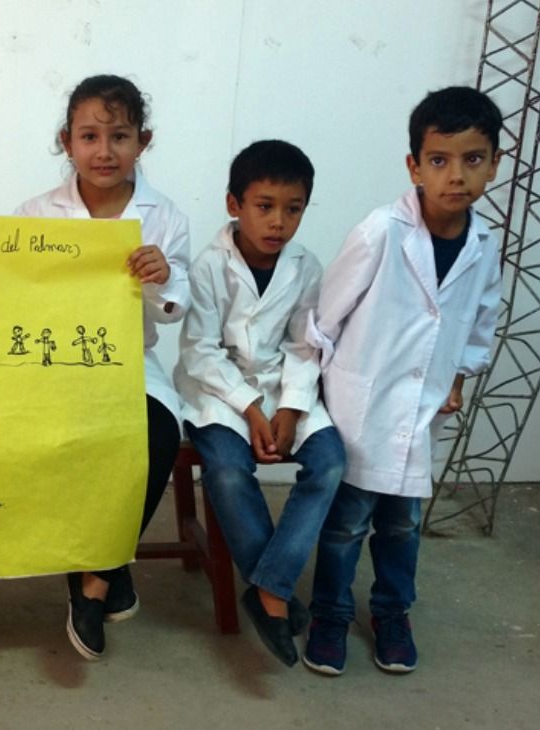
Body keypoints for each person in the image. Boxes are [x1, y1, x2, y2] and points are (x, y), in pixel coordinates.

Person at [304, 86, 504, 676]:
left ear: (494, 163)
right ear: (414, 166)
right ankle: (331, 613)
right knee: (346, 522)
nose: (456, 176)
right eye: (439, 161)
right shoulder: (379, 232)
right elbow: (323, 319)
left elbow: (479, 319)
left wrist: (460, 377)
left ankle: (393, 611)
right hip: (360, 407)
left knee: (403, 522)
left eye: (473, 160)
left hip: (421, 408)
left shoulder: (484, 245)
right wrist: (317, 392)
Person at [15, 74, 188, 660]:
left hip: (130, 364)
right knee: (65, 440)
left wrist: (161, 277)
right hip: (56, 366)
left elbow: (172, 313)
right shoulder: (36, 214)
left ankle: (95, 577)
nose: (104, 150)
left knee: (158, 434)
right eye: (90, 135)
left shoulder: (163, 217)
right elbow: (14, 294)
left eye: (120, 135)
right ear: (67, 141)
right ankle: (106, 566)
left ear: (145, 141)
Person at [175, 139, 344, 667]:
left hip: (285, 386)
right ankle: (275, 594)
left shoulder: (306, 267)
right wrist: (251, 410)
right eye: (264, 206)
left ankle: (268, 586)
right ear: (234, 205)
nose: (278, 222)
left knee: (331, 463)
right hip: (219, 393)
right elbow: (201, 352)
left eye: (293, 209)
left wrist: (290, 409)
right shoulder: (209, 266)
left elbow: (304, 345)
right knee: (227, 470)